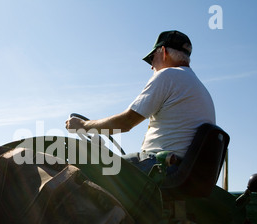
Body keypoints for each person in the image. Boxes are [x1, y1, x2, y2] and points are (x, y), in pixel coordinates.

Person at [65, 30, 216, 173]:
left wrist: (84, 126)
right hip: (184, 170)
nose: (151, 66)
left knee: (86, 168)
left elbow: (126, 122)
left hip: (160, 166)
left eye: (152, 58)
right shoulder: (199, 88)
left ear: (163, 52)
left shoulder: (168, 75)